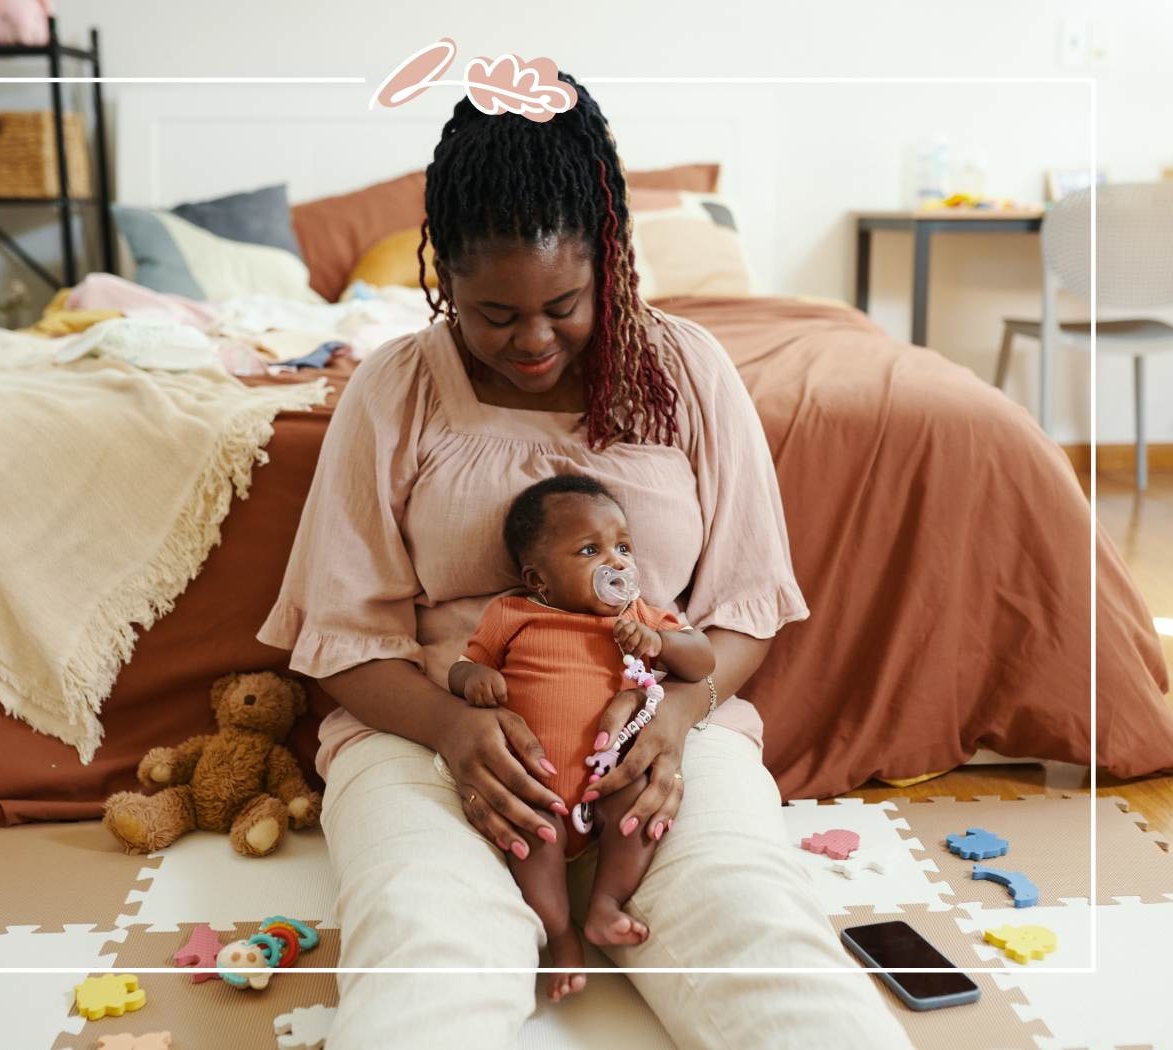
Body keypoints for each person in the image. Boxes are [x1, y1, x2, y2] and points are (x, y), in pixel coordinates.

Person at [256, 72, 915, 1049]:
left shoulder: (686, 372)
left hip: (658, 749)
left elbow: (742, 602)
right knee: (425, 950)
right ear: (440, 273)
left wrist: (677, 719)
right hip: (434, 734)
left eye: (562, 304)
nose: (530, 341)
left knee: (757, 937)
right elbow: (341, 631)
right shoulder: (395, 390)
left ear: (608, 260)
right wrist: (447, 727)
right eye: (491, 314)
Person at [449, 473, 718, 1001]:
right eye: (590, 550)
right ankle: (561, 934)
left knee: (638, 812)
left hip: (611, 775)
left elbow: (703, 660)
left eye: (623, 547)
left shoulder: (637, 615)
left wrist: (659, 643)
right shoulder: (515, 614)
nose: (616, 562)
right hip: (537, 783)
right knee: (532, 838)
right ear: (539, 579)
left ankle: (605, 906)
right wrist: (474, 680)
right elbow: (464, 665)